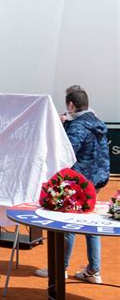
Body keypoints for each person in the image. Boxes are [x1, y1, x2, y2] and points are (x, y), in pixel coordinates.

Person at [36, 89, 110, 283]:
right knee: (89, 224)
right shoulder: (96, 122)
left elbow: (67, 152)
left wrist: (61, 128)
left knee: (68, 225)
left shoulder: (77, 126)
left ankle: (60, 268)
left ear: (70, 105)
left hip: (80, 182)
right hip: (97, 179)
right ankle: (94, 270)